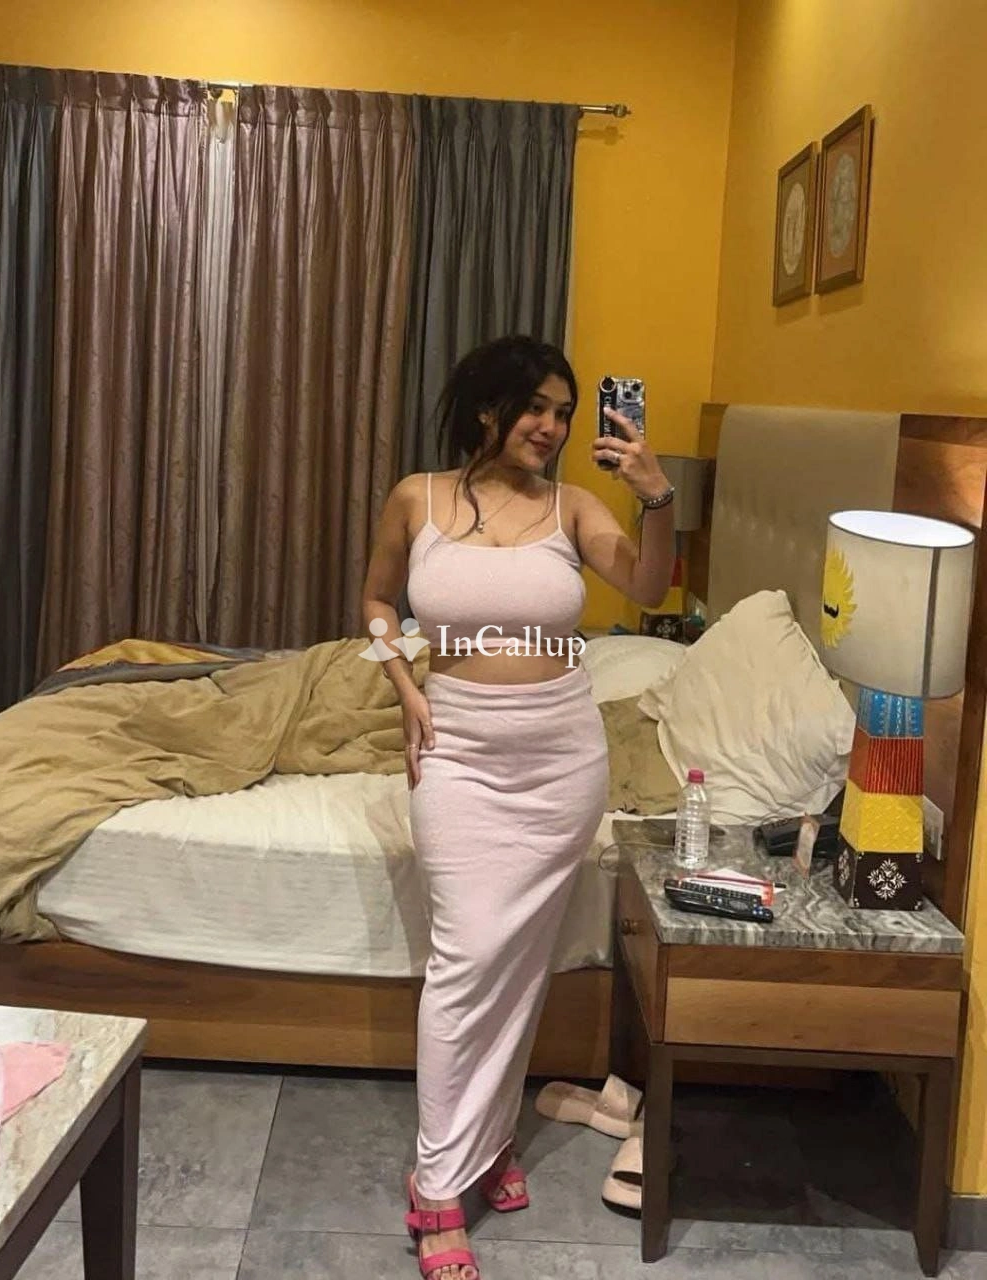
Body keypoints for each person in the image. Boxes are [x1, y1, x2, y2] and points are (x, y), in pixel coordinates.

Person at [360, 335, 675, 1280]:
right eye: (536, 406)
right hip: (458, 752)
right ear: (488, 407)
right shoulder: (417, 497)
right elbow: (377, 601)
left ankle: (488, 1142)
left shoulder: (573, 508)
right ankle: (438, 1183)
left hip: (560, 762)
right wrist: (402, 681)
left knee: (520, 966)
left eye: (565, 413)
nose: (552, 426)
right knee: (467, 962)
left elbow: (650, 586)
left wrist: (657, 496)